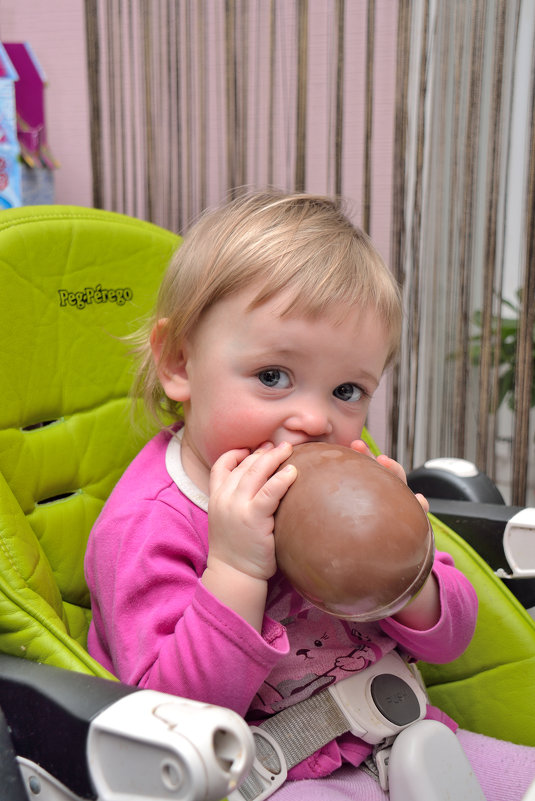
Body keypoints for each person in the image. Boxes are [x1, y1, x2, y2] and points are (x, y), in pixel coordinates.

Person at [85, 191, 535, 800]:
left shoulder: (350, 477)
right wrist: (237, 568)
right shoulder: (148, 525)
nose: (315, 420)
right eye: (273, 377)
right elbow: (172, 717)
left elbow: (452, 636)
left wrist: (408, 565)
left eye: (347, 390)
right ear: (181, 362)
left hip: (408, 737)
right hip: (267, 776)